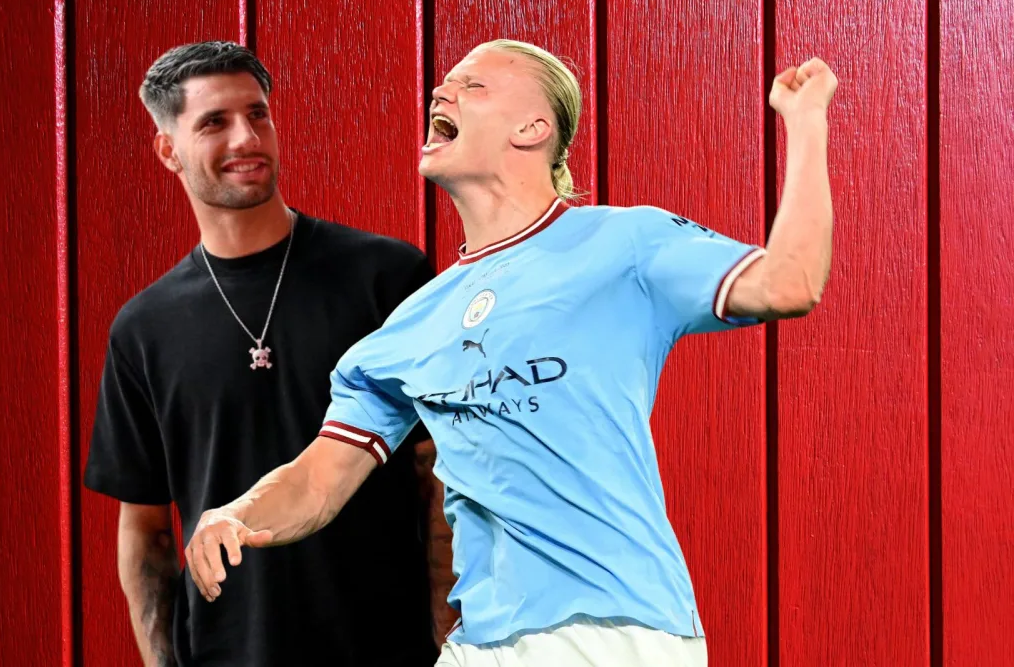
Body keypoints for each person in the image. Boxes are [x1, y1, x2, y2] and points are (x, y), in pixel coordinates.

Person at [183, 39, 837, 667]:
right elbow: (319, 480)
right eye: (447, 83)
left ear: (531, 128)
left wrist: (805, 126)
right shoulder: (411, 325)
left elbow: (790, 281)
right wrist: (237, 512)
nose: (443, 89)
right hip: (484, 641)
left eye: (473, 84)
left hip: (615, 633)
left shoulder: (626, 243)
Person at [82, 41, 440, 667]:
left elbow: (439, 475)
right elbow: (145, 530)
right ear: (169, 150)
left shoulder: (384, 276)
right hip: (229, 652)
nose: (246, 137)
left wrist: (449, 635)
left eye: (258, 114)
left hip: (388, 646)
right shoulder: (144, 328)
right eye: (214, 122)